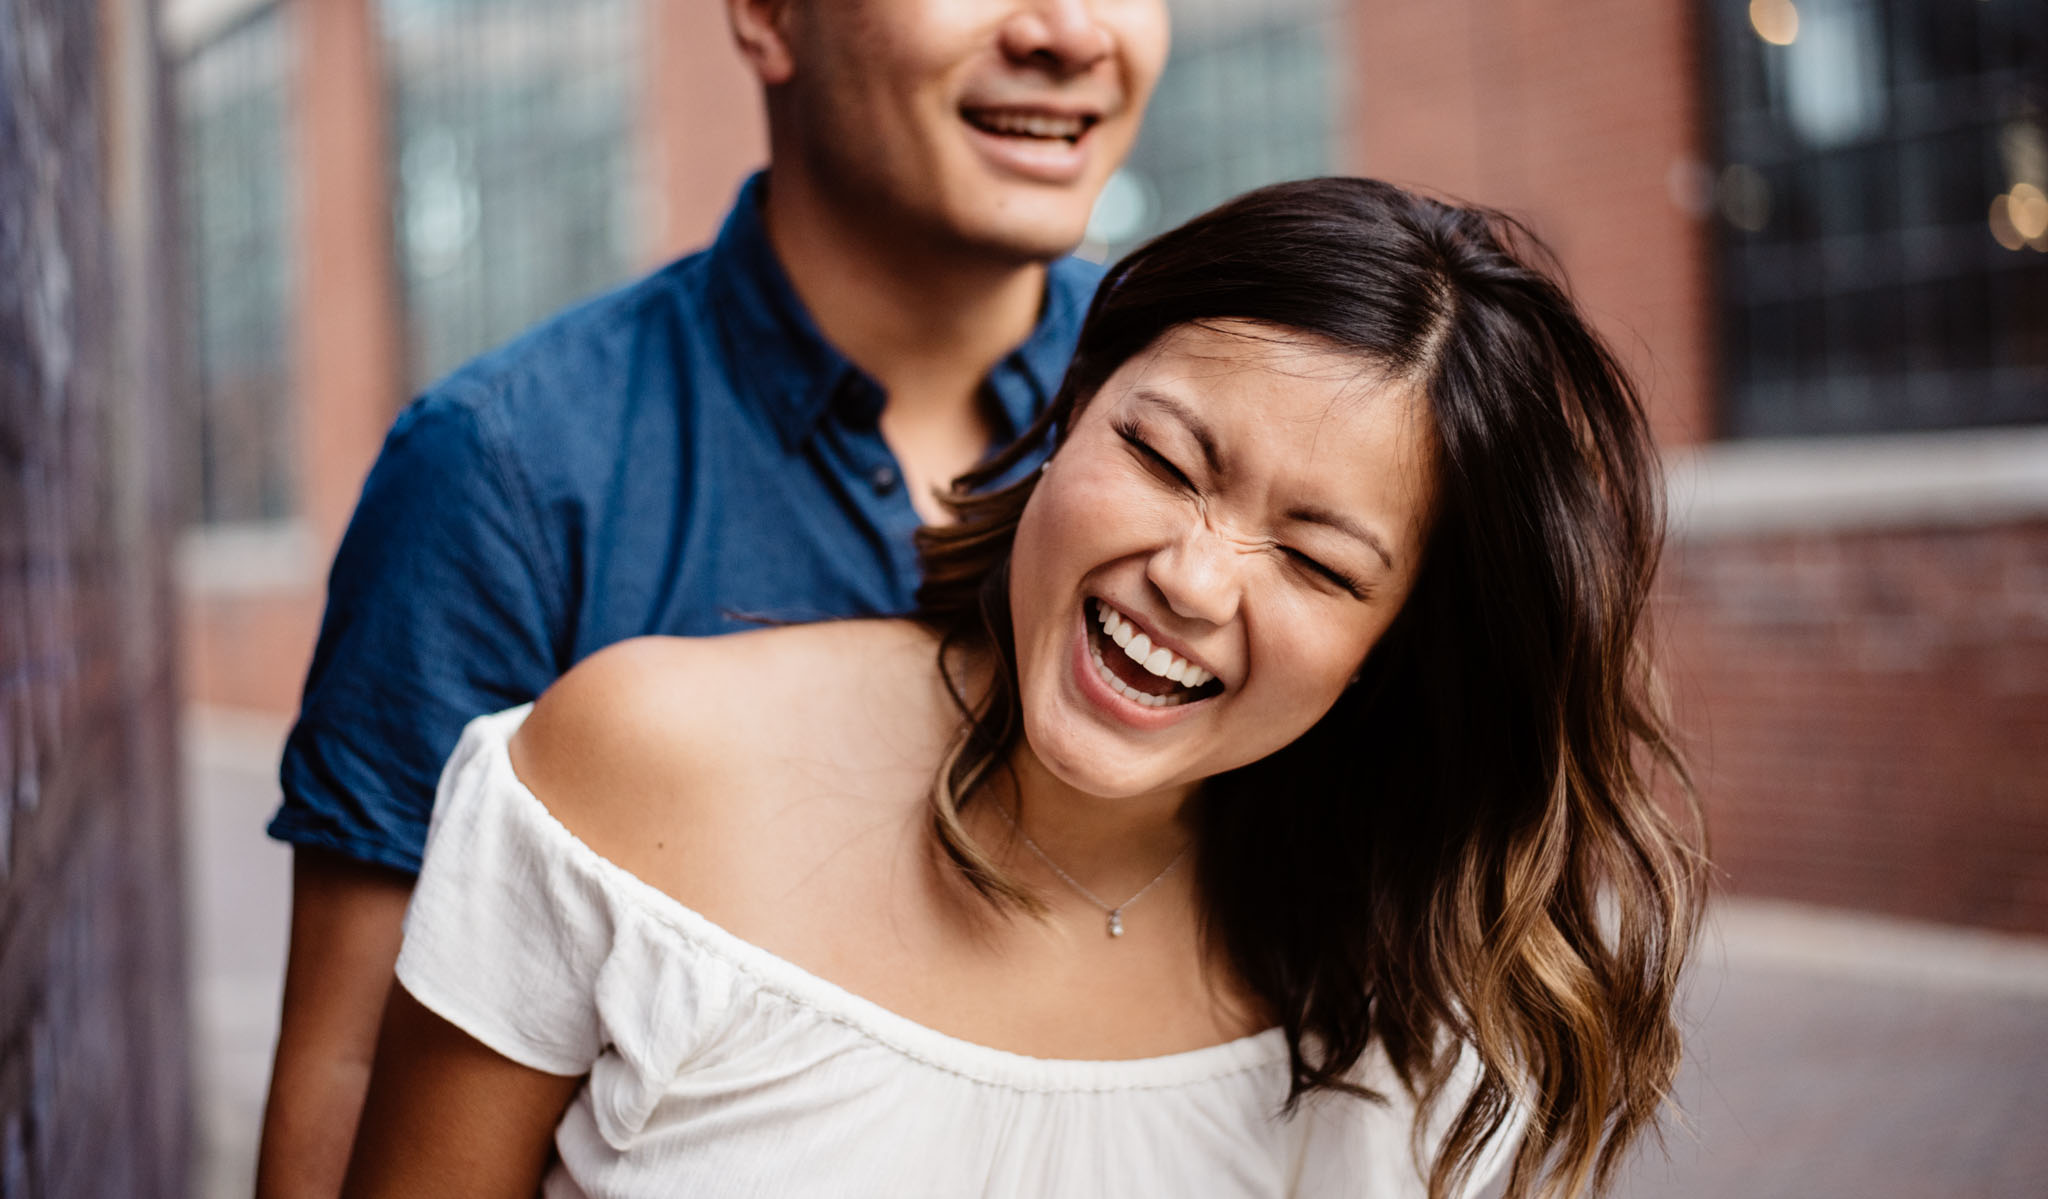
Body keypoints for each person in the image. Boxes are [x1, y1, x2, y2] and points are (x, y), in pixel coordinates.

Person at [339, 178, 1706, 1199]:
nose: (1196, 575)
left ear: (1398, 644)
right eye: (1166, 461)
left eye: (1315, 559)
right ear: (1069, 413)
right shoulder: (643, 762)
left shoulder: (1434, 957)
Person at [256, 0, 1170, 1191]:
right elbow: (350, 1072)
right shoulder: (506, 469)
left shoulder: (1191, 415)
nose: (1069, 27)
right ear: (765, 4)